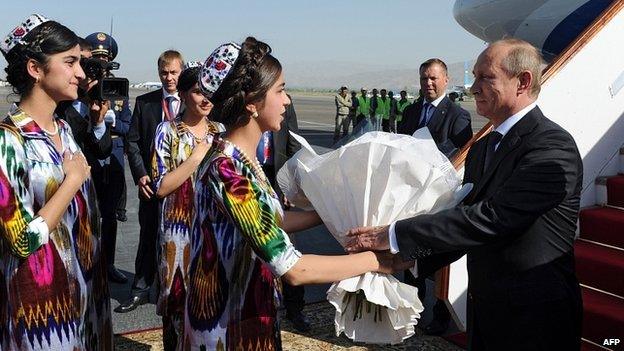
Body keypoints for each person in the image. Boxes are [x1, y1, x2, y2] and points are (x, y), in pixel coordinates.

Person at [346, 38, 584, 350]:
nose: (473, 88)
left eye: (486, 77)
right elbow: (464, 219)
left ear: (522, 81)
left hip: (536, 319)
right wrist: (406, 261)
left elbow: (492, 219)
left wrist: (391, 235)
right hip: (486, 311)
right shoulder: (483, 147)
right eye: (474, 77)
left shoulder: (552, 147)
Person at [184, 38, 396, 350]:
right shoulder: (228, 171)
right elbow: (294, 269)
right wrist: (378, 262)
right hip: (226, 323)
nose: (287, 100)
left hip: (247, 309)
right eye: (280, 90)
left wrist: (337, 212)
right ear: (252, 103)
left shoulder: (241, 159)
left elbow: (275, 220)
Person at [0, 14, 112, 350]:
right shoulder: (10, 141)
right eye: (70, 62)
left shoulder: (64, 131)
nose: (81, 72)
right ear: (35, 69)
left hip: (87, 296)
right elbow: (21, 240)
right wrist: (72, 181)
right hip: (42, 308)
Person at [151, 64, 225, 351]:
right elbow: (161, 186)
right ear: (182, 94)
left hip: (213, 228)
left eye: (210, 92)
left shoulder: (220, 131)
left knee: (210, 296)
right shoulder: (167, 131)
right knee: (177, 297)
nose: (206, 98)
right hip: (177, 231)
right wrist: (195, 159)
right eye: (197, 91)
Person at [119, 49, 185, 313]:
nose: (169, 78)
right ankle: (140, 289)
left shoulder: (193, 102)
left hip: (183, 186)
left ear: (182, 72)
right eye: (164, 73)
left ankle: (179, 289)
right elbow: (132, 141)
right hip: (152, 186)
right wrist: (141, 175)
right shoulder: (145, 103)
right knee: (148, 235)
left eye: (173, 72)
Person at [257, 94, 310, 331]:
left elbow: (294, 147)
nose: (285, 98)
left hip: (277, 179)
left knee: (288, 244)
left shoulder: (283, 104)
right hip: (251, 176)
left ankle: (295, 308)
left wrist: (291, 185)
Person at [84, 31, 133, 284]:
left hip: (112, 158)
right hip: (89, 158)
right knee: (87, 212)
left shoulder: (118, 90)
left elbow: (129, 126)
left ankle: (110, 263)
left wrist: (111, 123)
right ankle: (88, 262)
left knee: (110, 214)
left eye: (105, 58)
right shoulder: (82, 89)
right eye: (97, 58)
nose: (102, 64)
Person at [397, 58, 472, 158]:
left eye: (433, 78)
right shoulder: (410, 111)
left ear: (446, 80)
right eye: (424, 78)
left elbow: (460, 155)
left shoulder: (458, 116)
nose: (428, 83)